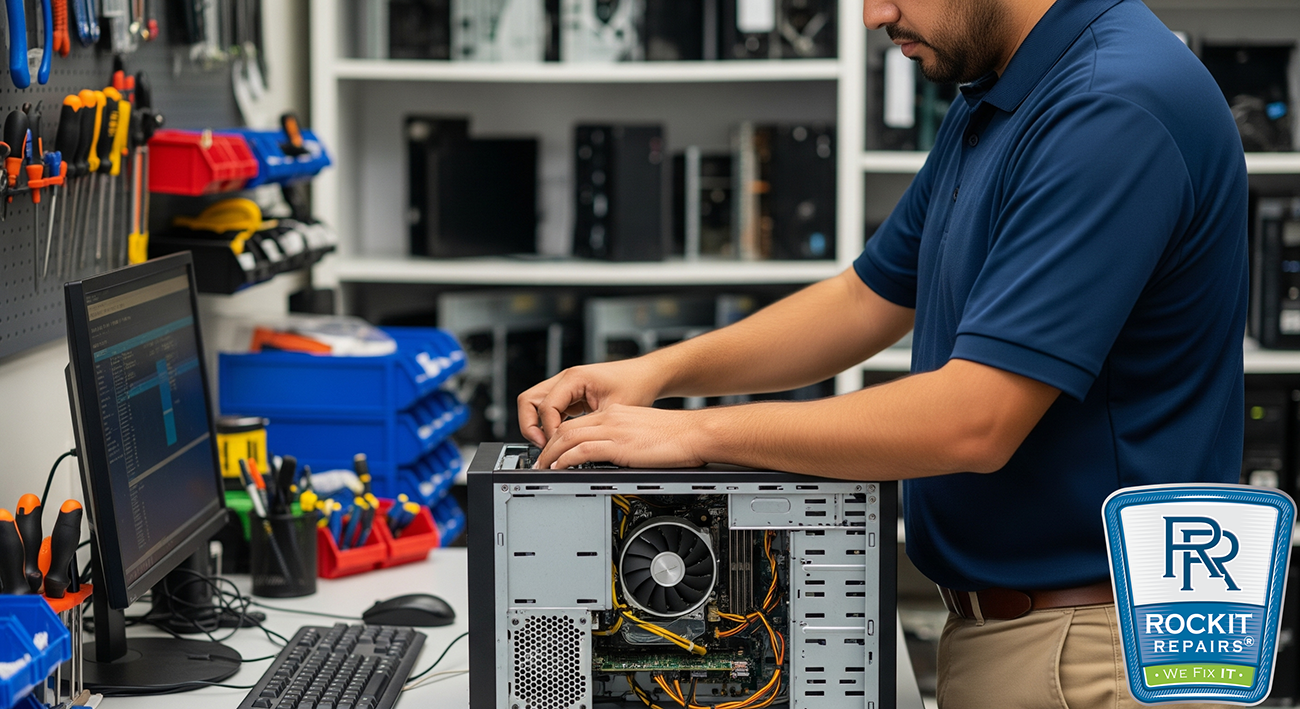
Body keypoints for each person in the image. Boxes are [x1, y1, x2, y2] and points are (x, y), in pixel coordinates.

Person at [519, 0, 1248, 706]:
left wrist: (696, 432)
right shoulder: (1003, 90)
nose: (872, 15)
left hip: (1095, 654)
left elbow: (974, 420)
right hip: (1038, 633)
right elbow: (865, 299)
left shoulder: (1108, 109)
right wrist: (657, 373)